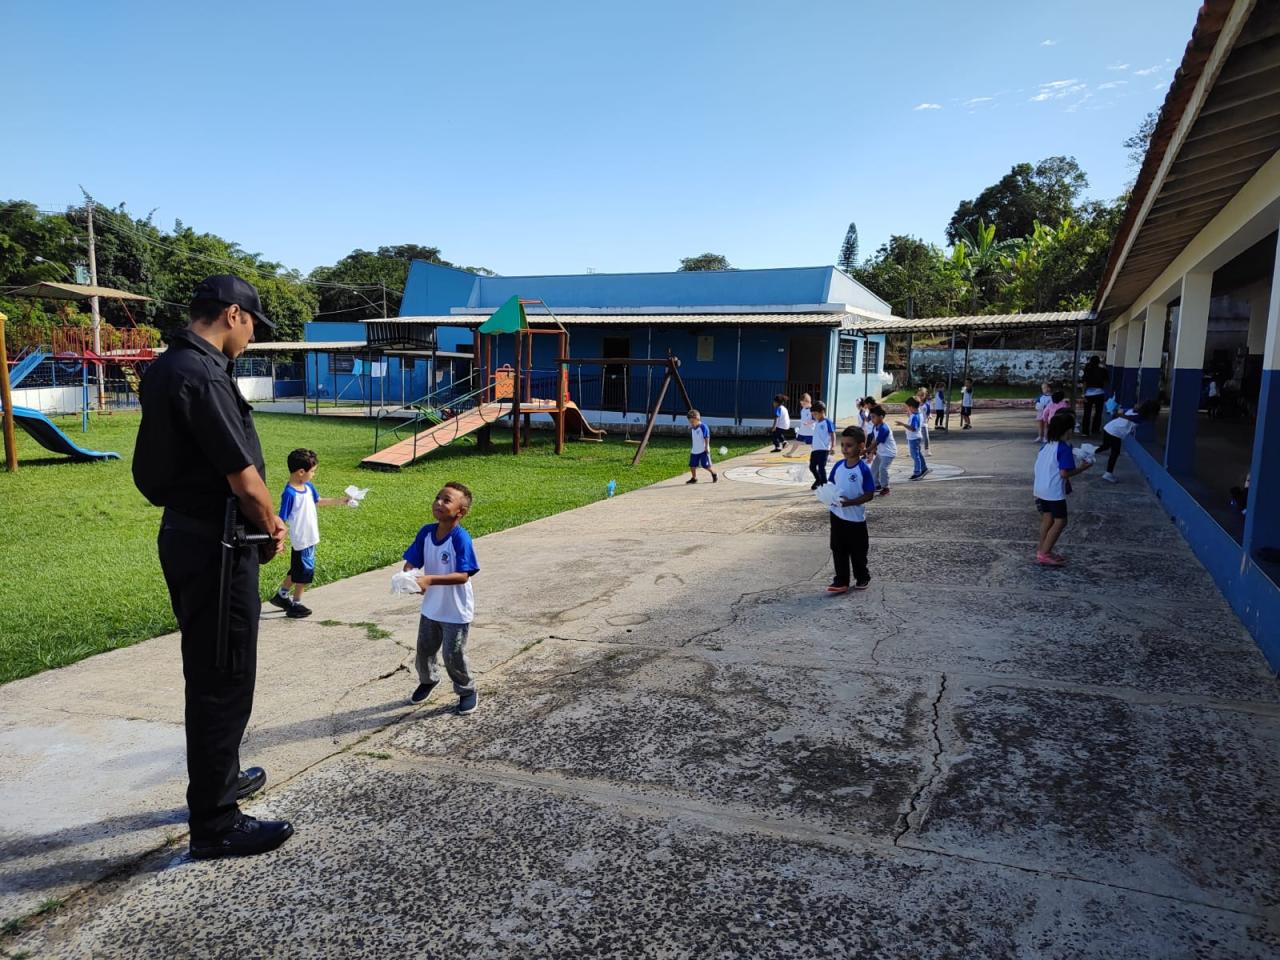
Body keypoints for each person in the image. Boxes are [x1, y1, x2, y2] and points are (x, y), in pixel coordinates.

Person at [132, 275, 294, 859]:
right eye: (251, 325)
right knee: (223, 677)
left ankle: (217, 783)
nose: (250, 338)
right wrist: (274, 526)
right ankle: (217, 822)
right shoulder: (201, 374)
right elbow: (243, 476)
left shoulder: (168, 365)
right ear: (233, 314)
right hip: (218, 546)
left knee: (211, 669)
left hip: (188, 534)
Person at [404, 482, 481, 714]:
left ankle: (467, 690)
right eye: (437, 497)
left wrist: (429, 580)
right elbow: (413, 560)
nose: (438, 502)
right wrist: (408, 575)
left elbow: (463, 575)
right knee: (424, 651)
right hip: (431, 608)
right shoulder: (426, 532)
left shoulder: (460, 538)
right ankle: (428, 680)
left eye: (446, 500)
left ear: (461, 511)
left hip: (455, 611)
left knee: (452, 654)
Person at [268, 449, 352, 618]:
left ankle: (282, 596)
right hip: (302, 540)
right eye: (312, 471)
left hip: (310, 537)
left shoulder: (308, 487)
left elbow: (318, 501)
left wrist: (341, 500)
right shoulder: (290, 494)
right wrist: (280, 540)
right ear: (301, 472)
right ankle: (296, 605)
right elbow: (281, 518)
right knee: (304, 572)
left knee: (297, 569)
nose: (313, 475)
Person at [1033, 409, 1092, 566]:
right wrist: (1083, 468)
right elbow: (1065, 473)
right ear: (1068, 431)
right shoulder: (1064, 448)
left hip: (1040, 489)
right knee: (1061, 521)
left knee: (1047, 518)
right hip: (1053, 492)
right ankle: (1045, 554)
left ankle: (1042, 549)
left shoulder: (1046, 445)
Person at [825, 426, 877, 594]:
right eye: (842, 445)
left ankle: (862, 576)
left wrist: (851, 502)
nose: (845, 449)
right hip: (836, 515)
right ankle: (841, 581)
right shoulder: (838, 466)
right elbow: (831, 484)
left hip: (855, 520)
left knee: (858, 551)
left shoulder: (863, 469)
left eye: (849, 445)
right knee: (838, 548)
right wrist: (828, 496)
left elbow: (869, 494)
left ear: (861, 446)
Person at [1096, 399, 1160, 483]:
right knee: (1115, 452)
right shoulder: (1139, 417)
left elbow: (1121, 411)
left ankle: (1089, 451)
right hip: (1115, 432)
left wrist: (1120, 412)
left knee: (1106, 446)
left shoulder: (1133, 411)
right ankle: (1108, 474)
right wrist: (1121, 414)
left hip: (1109, 428)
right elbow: (1131, 417)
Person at [866, 405, 897, 496]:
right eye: (871, 417)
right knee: (874, 469)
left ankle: (886, 488)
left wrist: (865, 451)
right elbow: (874, 440)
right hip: (881, 452)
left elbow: (876, 442)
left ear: (881, 417)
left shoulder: (884, 429)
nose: (872, 419)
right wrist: (871, 453)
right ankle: (877, 485)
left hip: (888, 453)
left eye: (873, 417)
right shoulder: (875, 426)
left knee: (883, 468)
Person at [899, 397, 929, 480]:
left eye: (908, 407)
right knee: (918, 454)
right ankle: (924, 468)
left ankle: (917, 472)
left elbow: (913, 428)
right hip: (916, 437)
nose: (907, 409)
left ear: (911, 407)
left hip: (914, 438)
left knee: (915, 455)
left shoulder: (915, 416)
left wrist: (903, 424)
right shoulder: (917, 414)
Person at [808, 400, 835, 490]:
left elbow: (832, 434)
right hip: (815, 449)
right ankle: (818, 480)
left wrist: (833, 446)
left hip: (824, 449)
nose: (814, 416)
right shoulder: (817, 422)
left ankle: (824, 485)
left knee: (821, 468)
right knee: (812, 467)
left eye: (815, 414)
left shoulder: (827, 422)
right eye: (813, 414)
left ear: (822, 412)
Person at [685, 409, 718, 484]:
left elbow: (706, 437)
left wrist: (706, 446)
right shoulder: (693, 427)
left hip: (703, 449)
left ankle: (714, 473)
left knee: (705, 465)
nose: (691, 423)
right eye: (690, 422)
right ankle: (694, 478)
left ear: (697, 419)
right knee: (692, 465)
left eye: (692, 421)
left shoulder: (703, 427)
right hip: (694, 450)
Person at [1080, 356, 1109, 435]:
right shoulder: (1103, 370)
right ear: (1098, 362)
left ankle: (1085, 431)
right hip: (1100, 394)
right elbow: (1106, 382)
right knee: (1098, 413)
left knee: (1087, 413)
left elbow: (1084, 383)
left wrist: (1083, 394)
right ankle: (1095, 430)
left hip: (1088, 394)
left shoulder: (1088, 369)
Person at [783, 393, 813, 458]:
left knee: (813, 445)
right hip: (802, 430)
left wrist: (808, 423)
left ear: (808, 401)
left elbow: (814, 419)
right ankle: (790, 453)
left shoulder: (812, 410)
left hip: (810, 431)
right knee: (797, 441)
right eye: (801, 404)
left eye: (803, 404)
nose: (802, 405)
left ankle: (822, 455)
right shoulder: (803, 410)